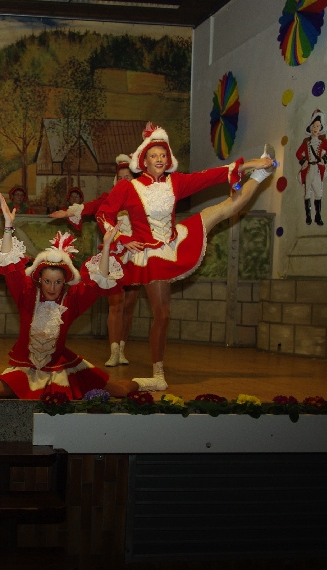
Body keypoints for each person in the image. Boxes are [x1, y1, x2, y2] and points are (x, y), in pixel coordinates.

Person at [95, 123, 278, 390]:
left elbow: (213, 175)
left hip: (175, 240)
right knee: (163, 314)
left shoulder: (176, 182)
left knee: (226, 207)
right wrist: (122, 239)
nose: (159, 159)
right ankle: (158, 374)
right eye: (153, 155)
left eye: (163, 155)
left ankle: (260, 174)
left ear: (168, 159)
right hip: (151, 255)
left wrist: (252, 164)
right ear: (144, 161)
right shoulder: (128, 187)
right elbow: (103, 214)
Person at [0, 194, 141, 400]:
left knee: (120, 391)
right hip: (28, 367)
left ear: (65, 282)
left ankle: (145, 383)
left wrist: (106, 246)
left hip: (62, 367)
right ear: (39, 279)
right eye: (47, 281)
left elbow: (98, 281)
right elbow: (9, 263)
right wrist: (8, 226)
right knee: (2, 386)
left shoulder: (72, 300)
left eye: (58, 282)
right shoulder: (26, 293)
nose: (52, 287)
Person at [50, 154, 139, 367]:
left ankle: (122, 349)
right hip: (115, 255)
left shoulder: (142, 199)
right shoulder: (110, 198)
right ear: (116, 180)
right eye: (120, 177)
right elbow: (88, 207)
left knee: (129, 306)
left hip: (136, 255)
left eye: (128, 177)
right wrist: (68, 212)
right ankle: (114, 351)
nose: (124, 181)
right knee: (116, 304)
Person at [296, 109, 327, 226]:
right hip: (309, 169)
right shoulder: (306, 142)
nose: (316, 128)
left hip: (317, 169)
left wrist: (323, 160)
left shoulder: (322, 141)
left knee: (318, 193)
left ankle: (318, 216)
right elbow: (298, 153)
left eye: (318, 126)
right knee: (307, 193)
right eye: (315, 126)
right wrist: (304, 161)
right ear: (311, 127)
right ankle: (308, 216)